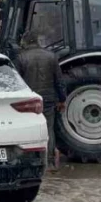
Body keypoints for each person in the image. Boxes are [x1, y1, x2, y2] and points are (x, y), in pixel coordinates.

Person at [14, 30, 67, 167]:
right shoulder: (51, 57)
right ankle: (48, 161)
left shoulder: (21, 58)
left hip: (30, 100)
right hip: (49, 99)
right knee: (48, 129)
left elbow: (17, 82)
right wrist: (62, 99)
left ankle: (31, 159)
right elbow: (59, 81)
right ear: (37, 41)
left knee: (29, 128)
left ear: (25, 42)